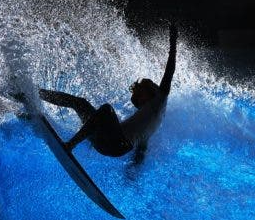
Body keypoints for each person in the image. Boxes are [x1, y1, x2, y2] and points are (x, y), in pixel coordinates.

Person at [36, 24, 177, 164]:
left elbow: (169, 72)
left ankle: (70, 145)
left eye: (141, 93)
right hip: (105, 142)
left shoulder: (159, 100)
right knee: (80, 103)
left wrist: (173, 41)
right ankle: (36, 93)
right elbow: (141, 151)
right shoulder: (146, 122)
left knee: (106, 110)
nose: (139, 99)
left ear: (151, 92)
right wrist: (132, 171)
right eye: (138, 97)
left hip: (116, 144)